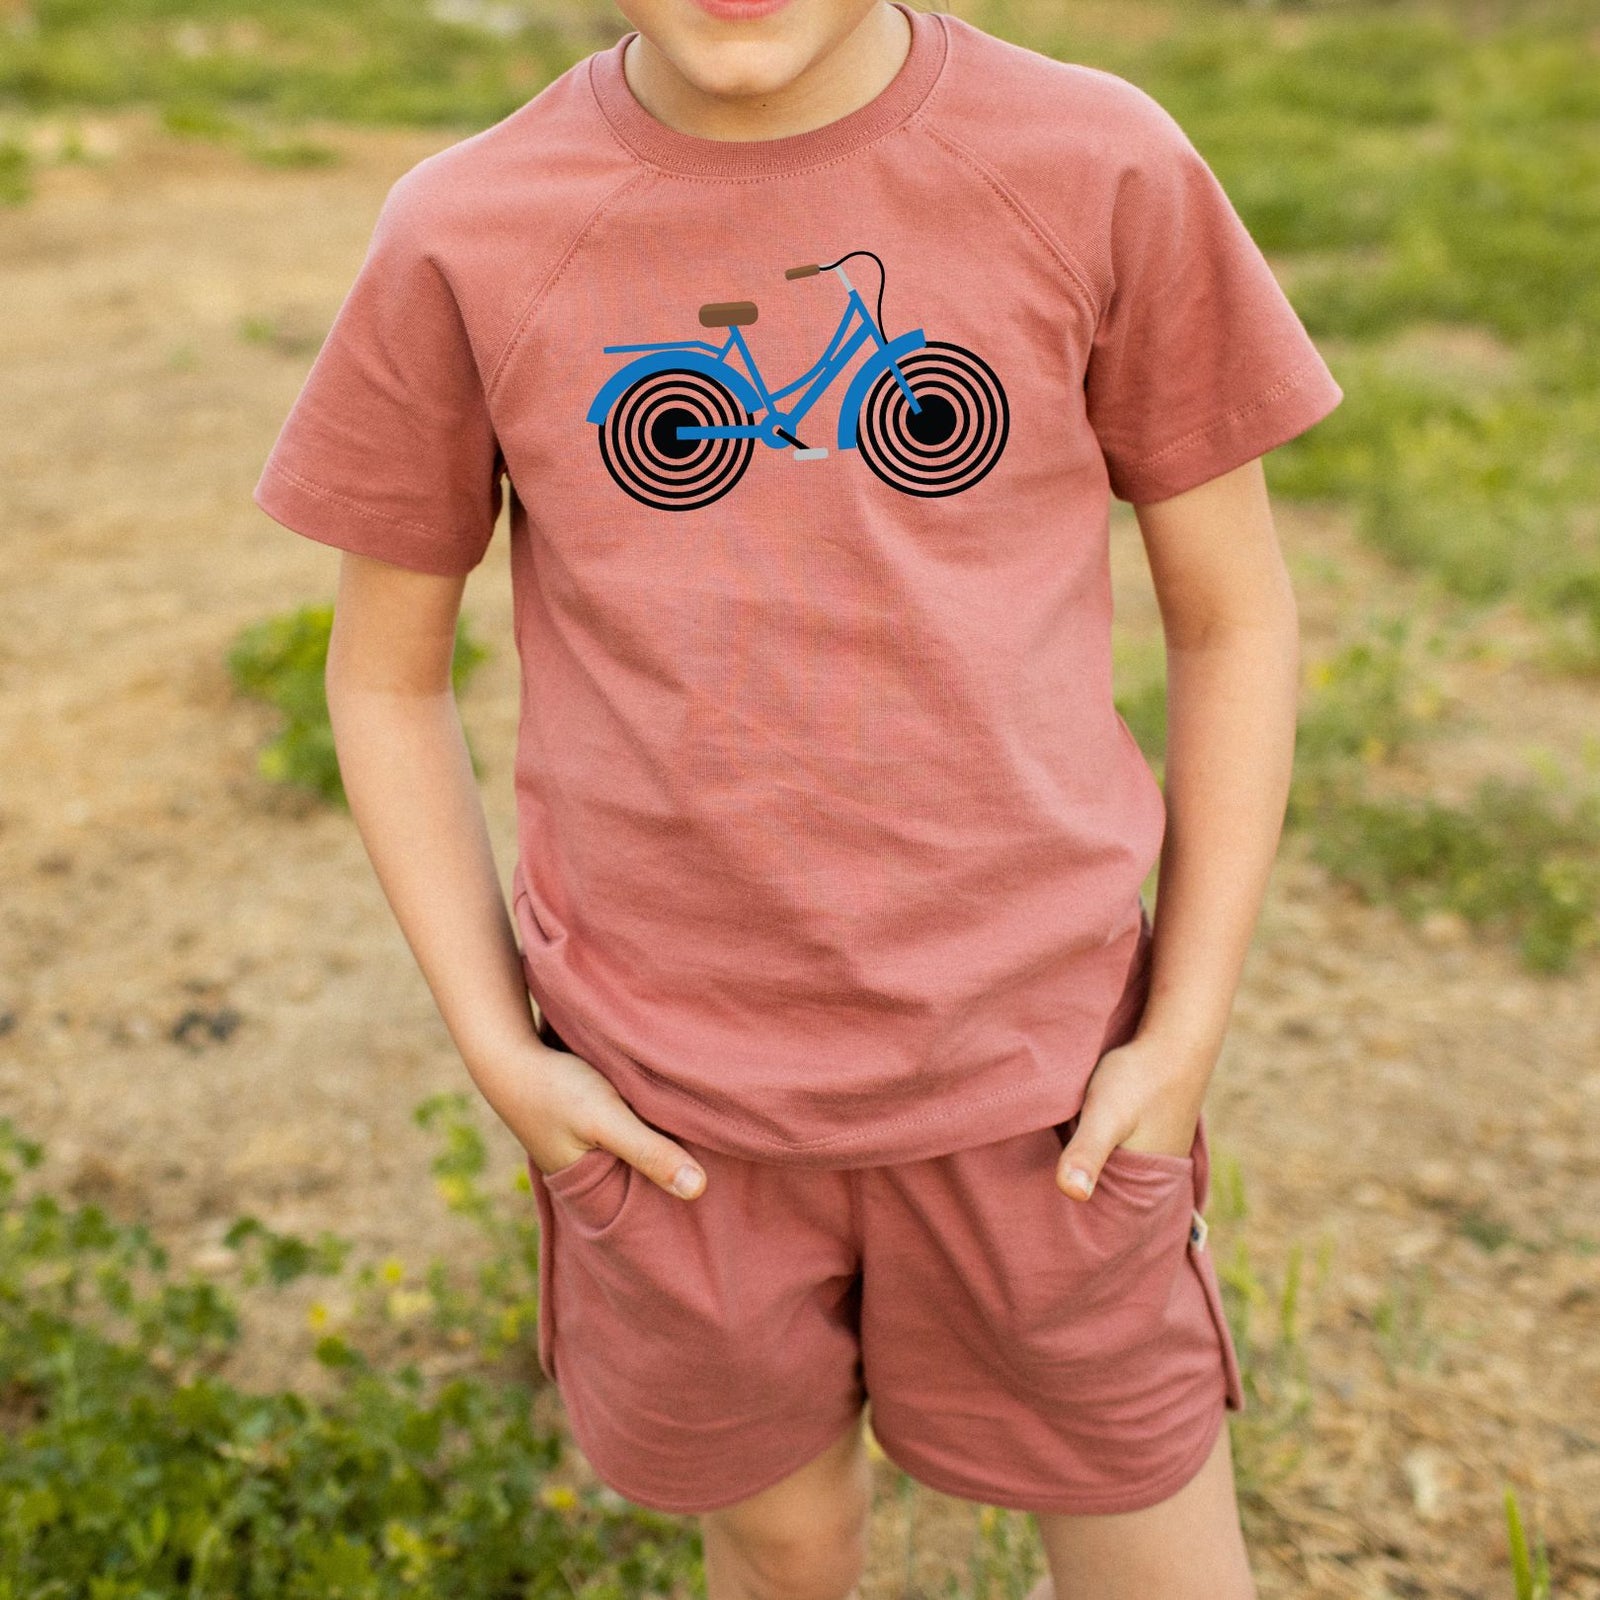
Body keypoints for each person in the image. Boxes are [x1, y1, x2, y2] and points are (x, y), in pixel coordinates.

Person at [251, 0, 1342, 1592]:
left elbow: (1235, 617)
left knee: (1152, 1545)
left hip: (1048, 1077)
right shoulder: (466, 228)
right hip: (664, 1106)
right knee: (779, 1544)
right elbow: (384, 675)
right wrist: (503, 1054)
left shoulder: (1098, 160)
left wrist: (1180, 1038)